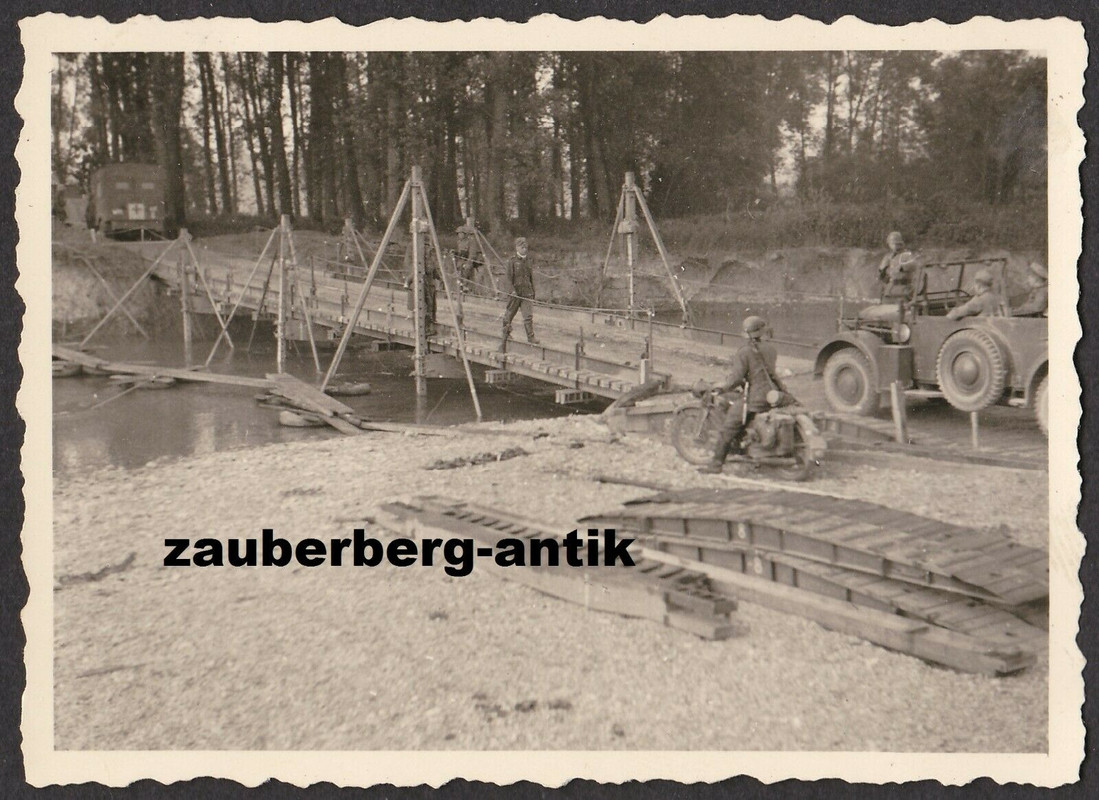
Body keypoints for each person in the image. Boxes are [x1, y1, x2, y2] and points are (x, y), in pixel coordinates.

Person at [698, 315, 788, 474]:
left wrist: (723, 388)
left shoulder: (744, 352)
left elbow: (737, 378)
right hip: (773, 393)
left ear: (746, 333)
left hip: (756, 396)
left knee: (729, 425)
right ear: (762, 332)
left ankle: (716, 464)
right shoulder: (771, 349)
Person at [501, 236, 538, 346]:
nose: (524, 249)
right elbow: (508, 278)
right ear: (517, 248)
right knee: (509, 314)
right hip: (515, 293)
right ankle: (505, 334)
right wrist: (511, 291)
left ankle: (531, 338)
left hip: (526, 293)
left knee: (528, 316)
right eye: (522, 247)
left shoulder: (529, 261)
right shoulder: (512, 261)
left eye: (525, 247)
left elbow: (531, 278)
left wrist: (533, 292)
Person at [878, 231, 917, 302]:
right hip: (890, 288)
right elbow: (881, 273)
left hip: (904, 288)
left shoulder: (907, 255)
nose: (893, 245)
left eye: (895, 243)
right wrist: (883, 273)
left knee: (903, 307)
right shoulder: (888, 257)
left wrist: (902, 267)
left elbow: (914, 265)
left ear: (900, 244)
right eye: (891, 243)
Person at [455, 220, 479, 294]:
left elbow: (472, 254)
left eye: (461, 233)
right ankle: (459, 287)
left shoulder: (470, 241)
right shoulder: (459, 242)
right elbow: (459, 253)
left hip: (469, 260)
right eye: (458, 233)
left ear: (464, 234)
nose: (459, 235)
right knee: (457, 269)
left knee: (467, 268)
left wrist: (468, 262)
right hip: (461, 260)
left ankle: (466, 286)